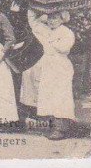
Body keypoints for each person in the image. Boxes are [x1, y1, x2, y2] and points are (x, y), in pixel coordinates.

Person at [28, 8, 76, 140]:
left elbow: (64, 47)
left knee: (61, 95)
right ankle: (52, 125)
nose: (51, 21)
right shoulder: (46, 30)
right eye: (49, 18)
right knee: (47, 93)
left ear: (62, 19)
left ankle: (61, 128)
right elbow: (34, 24)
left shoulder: (66, 32)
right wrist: (33, 8)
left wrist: (50, 41)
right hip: (48, 65)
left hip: (60, 66)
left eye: (55, 18)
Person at [15, 0, 47, 113]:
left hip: (46, 39)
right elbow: (21, 25)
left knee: (42, 72)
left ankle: (43, 106)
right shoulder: (27, 4)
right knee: (29, 71)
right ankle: (30, 106)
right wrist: (16, 13)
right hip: (31, 40)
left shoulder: (50, 5)